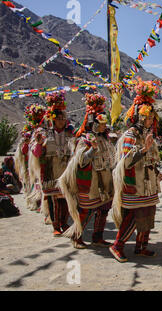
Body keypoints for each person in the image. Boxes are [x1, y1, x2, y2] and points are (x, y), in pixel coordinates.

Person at [109, 79, 162, 263]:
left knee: (148, 213)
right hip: (134, 184)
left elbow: (152, 158)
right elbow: (127, 161)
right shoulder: (130, 136)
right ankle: (117, 245)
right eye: (147, 118)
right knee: (132, 216)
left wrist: (156, 171)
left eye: (151, 118)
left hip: (148, 184)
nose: (150, 121)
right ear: (139, 117)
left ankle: (142, 246)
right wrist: (143, 149)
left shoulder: (147, 136)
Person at [58, 93, 115, 249]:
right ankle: (76, 237)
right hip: (91, 181)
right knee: (86, 210)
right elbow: (81, 160)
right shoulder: (85, 140)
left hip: (105, 179)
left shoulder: (105, 138)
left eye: (104, 123)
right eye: (100, 123)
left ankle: (98, 237)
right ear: (93, 123)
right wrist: (92, 150)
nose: (104, 126)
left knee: (104, 210)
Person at [30, 92, 74, 236]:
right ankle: (55, 225)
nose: (62, 121)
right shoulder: (44, 134)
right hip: (51, 171)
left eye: (63, 119)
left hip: (65, 170)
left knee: (66, 198)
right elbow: (36, 153)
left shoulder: (69, 134)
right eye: (59, 119)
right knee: (53, 199)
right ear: (53, 120)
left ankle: (64, 222)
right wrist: (37, 143)